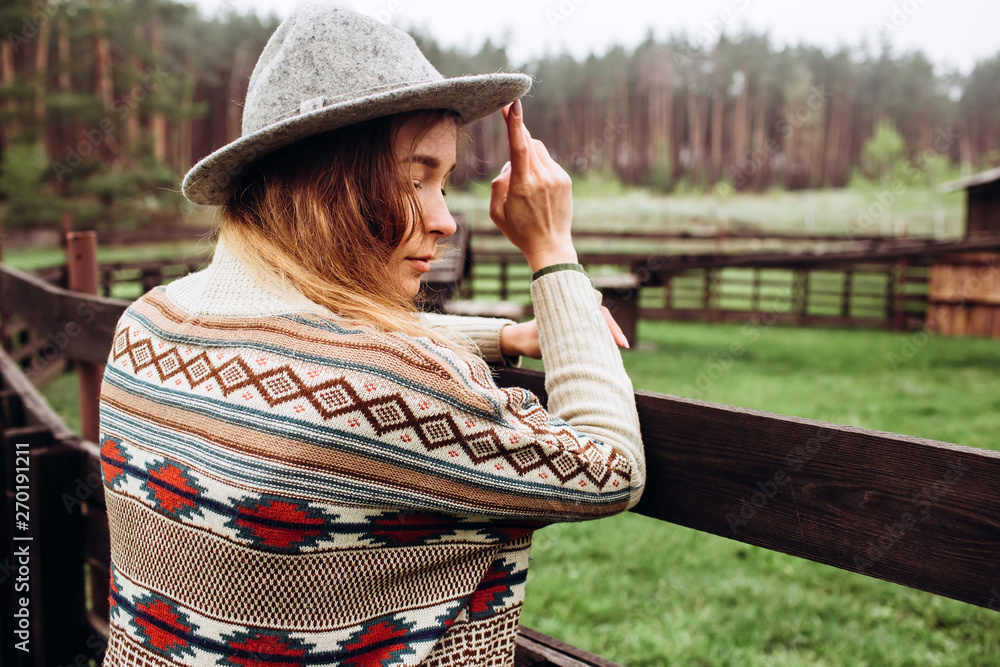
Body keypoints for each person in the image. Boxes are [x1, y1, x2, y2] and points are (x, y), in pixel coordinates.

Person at [98, 3, 643, 665]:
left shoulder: (147, 324)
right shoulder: (384, 383)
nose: (443, 219)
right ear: (326, 184)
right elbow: (612, 467)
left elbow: (295, 343)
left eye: (443, 182)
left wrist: (499, 336)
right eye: (418, 178)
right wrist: (554, 252)